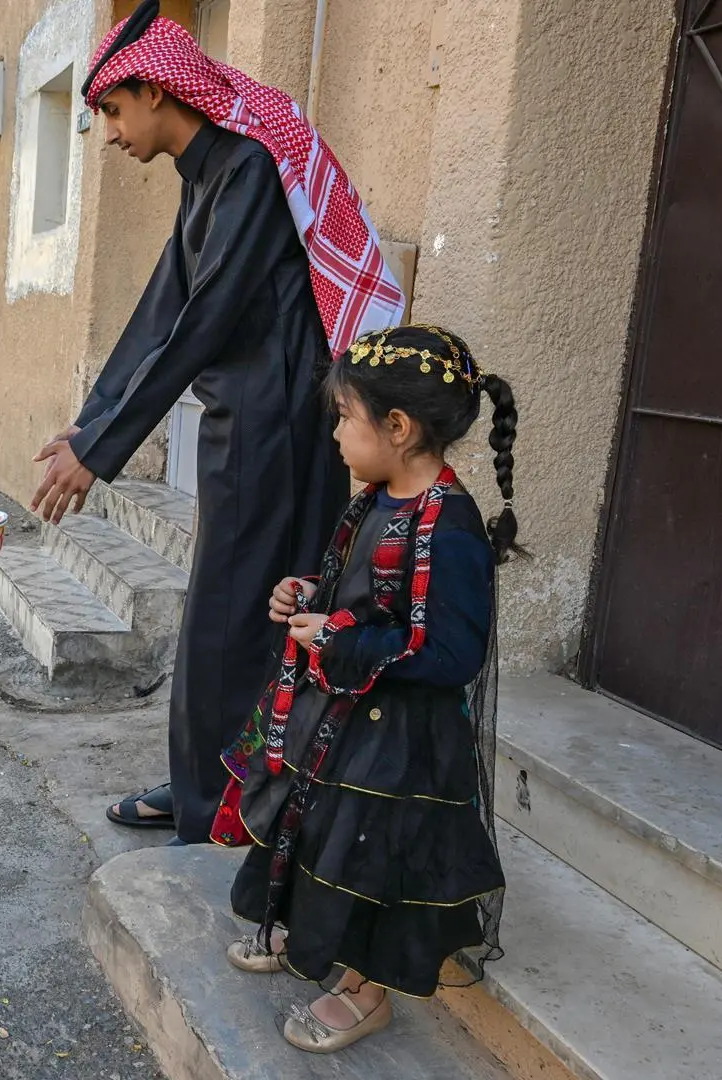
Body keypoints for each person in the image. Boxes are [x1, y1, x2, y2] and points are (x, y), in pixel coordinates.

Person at [30, 0, 405, 845]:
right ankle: (212, 786)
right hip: (248, 419)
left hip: (280, 425)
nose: (111, 135)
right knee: (228, 618)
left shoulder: (249, 168)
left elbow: (203, 321)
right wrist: (89, 425)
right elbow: (159, 311)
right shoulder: (205, 175)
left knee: (234, 622)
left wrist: (103, 451)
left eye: (113, 111)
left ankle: (220, 805)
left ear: (157, 92)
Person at [214, 325, 517, 1053]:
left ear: (398, 427)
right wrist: (306, 595)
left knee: (368, 859)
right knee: (317, 834)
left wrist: (339, 639)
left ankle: (364, 992)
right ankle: (306, 936)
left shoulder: (450, 528)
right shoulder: (376, 502)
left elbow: (450, 653)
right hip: (344, 720)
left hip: (400, 747)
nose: (337, 434)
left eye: (346, 417)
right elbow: (363, 595)